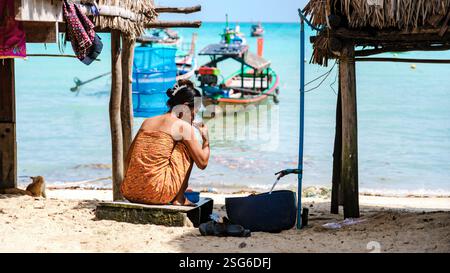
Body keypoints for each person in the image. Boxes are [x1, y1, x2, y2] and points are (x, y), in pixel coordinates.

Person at [121, 80, 210, 206]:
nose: (194, 116)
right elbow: (202, 163)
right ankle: (179, 199)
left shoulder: (147, 122)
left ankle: (146, 187)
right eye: (194, 111)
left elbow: (128, 159)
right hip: (157, 194)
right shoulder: (183, 126)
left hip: (130, 191)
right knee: (186, 147)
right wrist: (206, 140)